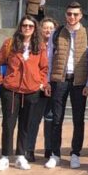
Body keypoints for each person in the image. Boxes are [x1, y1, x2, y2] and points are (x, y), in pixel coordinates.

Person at [0, 16, 48, 171]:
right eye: (25, 25)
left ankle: (21, 155)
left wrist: (40, 82)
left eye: (31, 25)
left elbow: (44, 67)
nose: (27, 28)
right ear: (20, 27)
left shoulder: (40, 46)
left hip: (31, 90)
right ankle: (4, 156)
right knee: (8, 124)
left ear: (35, 28)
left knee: (26, 124)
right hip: (11, 90)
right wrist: (0, 81)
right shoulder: (9, 44)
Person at [46, 1, 88, 169]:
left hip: (79, 82)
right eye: (69, 14)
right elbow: (49, 58)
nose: (72, 17)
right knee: (56, 119)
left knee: (78, 119)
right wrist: (47, 80)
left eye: (75, 14)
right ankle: (55, 154)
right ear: (65, 15)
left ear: (81, 15)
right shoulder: (57, 32)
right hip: (59, 80)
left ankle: (75, 153)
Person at [26, 17, 57, 162]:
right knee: (34, 119)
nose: (48, 30)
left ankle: (49, 149)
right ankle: (29, 149)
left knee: (50, 119)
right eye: (45, 27)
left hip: (53, 86)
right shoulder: (35, 46)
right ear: (40, 29)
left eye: (51, 28)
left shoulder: (57, 46)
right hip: (38, 87)